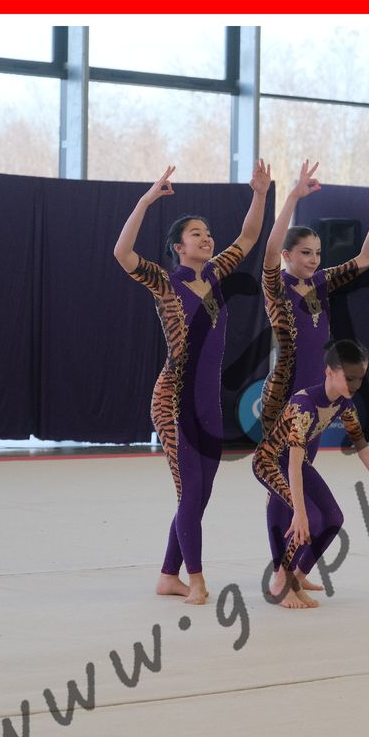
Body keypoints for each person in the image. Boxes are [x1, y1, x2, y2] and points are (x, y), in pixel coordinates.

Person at [113, 161, 270, 605]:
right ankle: (196, 579)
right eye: (196, 234)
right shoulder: (165, 283)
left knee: (201, 495)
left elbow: (249, 237)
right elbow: (123, 253)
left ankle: (169, 575)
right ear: (178, 247)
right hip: (173, 400)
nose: (206, 238)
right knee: (190, 492)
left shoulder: (215, 274)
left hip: (208, 403)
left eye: (208, 233)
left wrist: (260, 194)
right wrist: (147, 200)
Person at [252, 339, 369, 609]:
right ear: (329, 372)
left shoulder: (344, 405)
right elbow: (293, 464)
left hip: (296, 462)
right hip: (269, 461)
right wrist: (299, 510)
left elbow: (364, 450)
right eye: (349, 378)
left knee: (333, 518)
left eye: (360, 379)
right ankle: (280, 581)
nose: (355, 385)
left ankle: (297, 577)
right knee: (309, 518)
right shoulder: (304, 405)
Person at [260, 160, 369, 437]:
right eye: (305, 253)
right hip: (283, 388)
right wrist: (293, 197)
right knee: (280, 460)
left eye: (317, 253)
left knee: (306, 458)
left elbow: (367, 258)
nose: (314, 259)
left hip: (317, 385)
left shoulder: (321, 281)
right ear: (287, 255)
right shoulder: (276, 286)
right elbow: (271, 250)